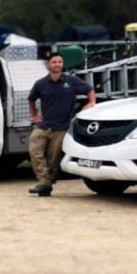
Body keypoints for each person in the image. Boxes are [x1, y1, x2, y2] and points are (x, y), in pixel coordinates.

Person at [27, 52, 96, 197]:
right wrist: (34, 115)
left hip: (61, 127)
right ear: (48, 65)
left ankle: (47, 184)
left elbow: (89, 90)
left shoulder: (71, 81)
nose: (57, 64)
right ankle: (44, 181)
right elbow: (31, 99)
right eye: (54, 62)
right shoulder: (40, 84)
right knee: (35, 151)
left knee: (54, 157)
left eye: (59, 62)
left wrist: (91, 102)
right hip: (44, 125)